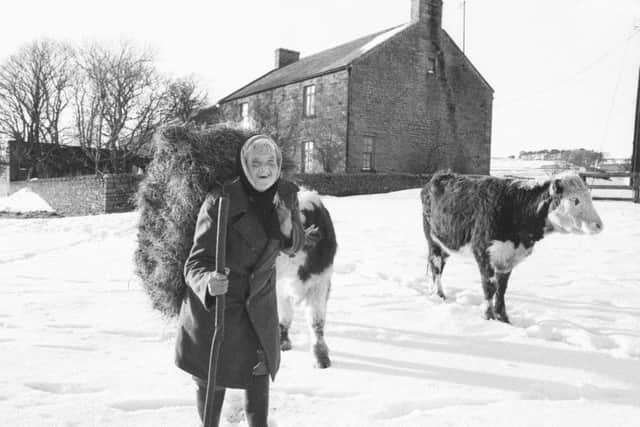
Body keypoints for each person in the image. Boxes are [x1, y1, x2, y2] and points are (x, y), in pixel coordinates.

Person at [175, 134, 305, 427]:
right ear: (244, 165)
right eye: (256, 162)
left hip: (258, 310)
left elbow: (294, 245)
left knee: (258, 384)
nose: (264, 168)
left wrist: (286, 226)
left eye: (270, 161)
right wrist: (208, 282)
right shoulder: (220, 200)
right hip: (218, 310)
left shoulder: (285, 195)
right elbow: (195, 261)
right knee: (212, 387)